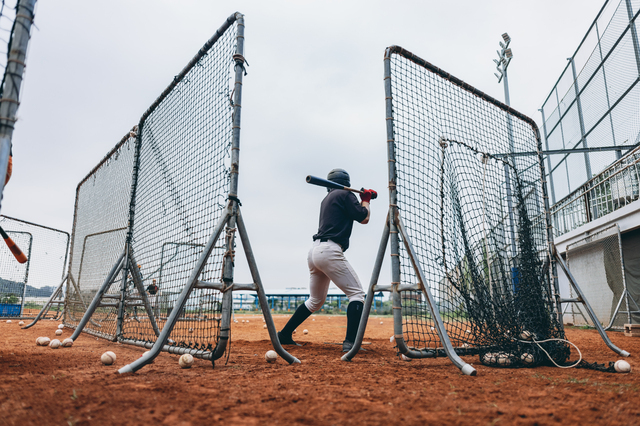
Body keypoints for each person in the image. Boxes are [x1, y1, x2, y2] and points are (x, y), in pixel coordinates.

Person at [278, 168, 376, 352]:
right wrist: (366, 201)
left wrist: (362, 200)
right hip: (330, 251)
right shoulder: (345, 194)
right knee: (357, 295)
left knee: (315, 300)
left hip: (315, 251)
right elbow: (364, 218)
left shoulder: (327, 198)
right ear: (346, 182)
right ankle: (350, 344)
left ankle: (284, 334)